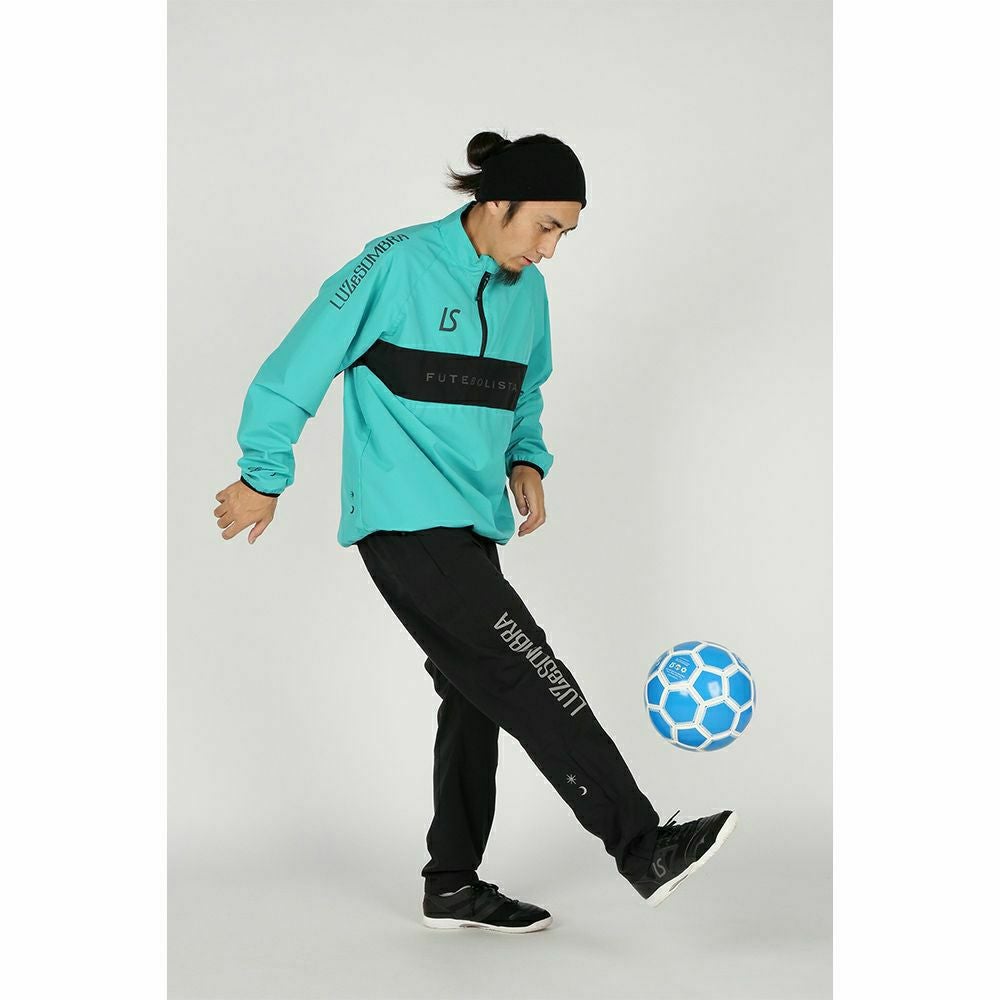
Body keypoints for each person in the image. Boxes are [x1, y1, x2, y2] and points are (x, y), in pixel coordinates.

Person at [213, 131, 738, 934]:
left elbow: (524, 389)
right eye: (545, 226)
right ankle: (642, 846)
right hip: (404, 520)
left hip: (470, 523)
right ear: (496, 204)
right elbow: (298, 365)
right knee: (530, 667)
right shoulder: (395, 264)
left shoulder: (528, 293)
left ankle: (453, 883)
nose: (550, 249)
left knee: (475, 696)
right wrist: (263, 475)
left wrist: (527, 458)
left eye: (565, 234)